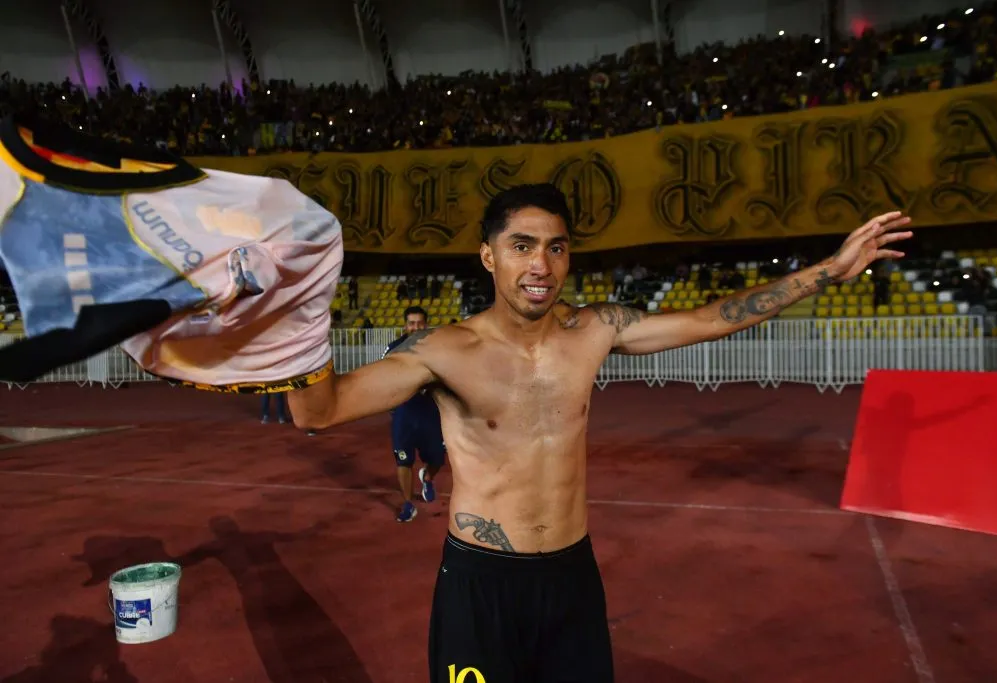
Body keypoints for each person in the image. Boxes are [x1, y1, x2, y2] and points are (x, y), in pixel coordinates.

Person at [287, 183, 912, 683]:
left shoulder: (594, 330)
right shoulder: (442, 350)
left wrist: (829, 270)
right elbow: (318, 413)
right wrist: (294, 319)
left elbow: (709, 319)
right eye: (522, 245)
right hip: (482, 583)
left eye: (555, 248)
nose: (540, 264)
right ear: (489, 255)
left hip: (570, 578)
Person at [384, 305, 446, 522]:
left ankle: (427, 477)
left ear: (426, 325)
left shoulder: (439, 350)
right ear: (405, 325)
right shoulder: (394, 349)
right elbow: (385, 377)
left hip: (431, 414)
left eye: (419, 323)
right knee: (403, 460)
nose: (415, 327)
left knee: (438, 458)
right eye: (411, 323)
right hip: (404, 414)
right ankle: (408, 504)